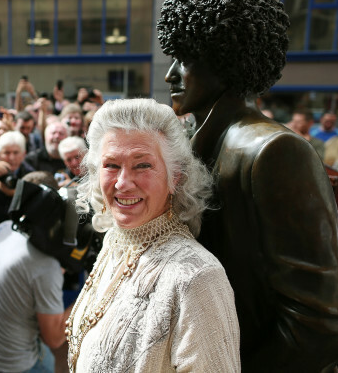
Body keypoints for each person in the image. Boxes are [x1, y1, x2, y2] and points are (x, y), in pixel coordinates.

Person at [157, 0, 338, 370]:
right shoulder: (194, 140)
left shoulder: (274, 150)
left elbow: (327, 320)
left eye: (186, 57)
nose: (170, 74)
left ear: (226, 58)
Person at [66, 99, 239, 371]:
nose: (123, 183)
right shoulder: (114, 240)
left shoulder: (197, 277)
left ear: (176, 177)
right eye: (111, 165)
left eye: (142, 165)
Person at [0, 171, 72, 373]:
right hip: (12, 366)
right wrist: (88, 295)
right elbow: (55, 338)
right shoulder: (45, 263)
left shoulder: (2, 229)